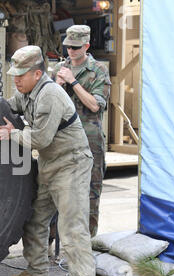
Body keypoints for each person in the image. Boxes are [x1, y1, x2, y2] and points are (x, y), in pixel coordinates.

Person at [0, 45, 96, 276]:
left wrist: (11, 134)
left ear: (37, 74)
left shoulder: (50, 94)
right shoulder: (27, 93)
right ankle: (37, 272)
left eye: (21, 75)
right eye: (14, 74)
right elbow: (7, 107)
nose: (16, 79)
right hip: (49, 165)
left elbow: (41, 138)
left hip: (71, 164)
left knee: (72, 227)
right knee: (34, 219)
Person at [51, 25, 111, 237]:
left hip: (89, 140)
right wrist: (56, 84)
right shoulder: (58, 69)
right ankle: (53, 244)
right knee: (56, 193)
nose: (71, 51)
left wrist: (73, 82)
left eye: (76, 47)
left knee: (90, 193)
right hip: (62, 141)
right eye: (68, 47)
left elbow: (95, 105)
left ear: (86, 46)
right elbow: (47, 106)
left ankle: (87, 243)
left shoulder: (98, 71)